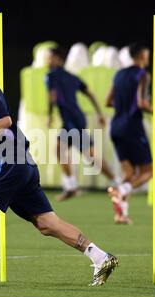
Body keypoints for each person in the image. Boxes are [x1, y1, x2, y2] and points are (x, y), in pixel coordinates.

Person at [0, 43, 118, 287]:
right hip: (19, 163)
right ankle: (101, 258)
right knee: (47, 224)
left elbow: (4, 121)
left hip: (9, 161)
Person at [46, 47, 114, 201]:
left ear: (58, 59)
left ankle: (116, 182)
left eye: (49, 57)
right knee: (60, 148)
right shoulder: (72, 77)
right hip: (76, 118)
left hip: (72, 119)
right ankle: (71, 185)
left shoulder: (51, 76)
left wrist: (50, 115)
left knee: (89, 155)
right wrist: (100, 113)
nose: (47, 61)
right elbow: (90, 93)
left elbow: (52, 97)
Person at [105, 42, 154, 225]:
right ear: (142, 55)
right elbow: (141, 103)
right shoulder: (143, 75)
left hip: (116, 127)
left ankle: (120, 214)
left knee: (129, 172)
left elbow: (107, 101)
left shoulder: (118, 74)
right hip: (132, 126)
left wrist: (123, 105)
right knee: (148, 171)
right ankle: (121, 191)